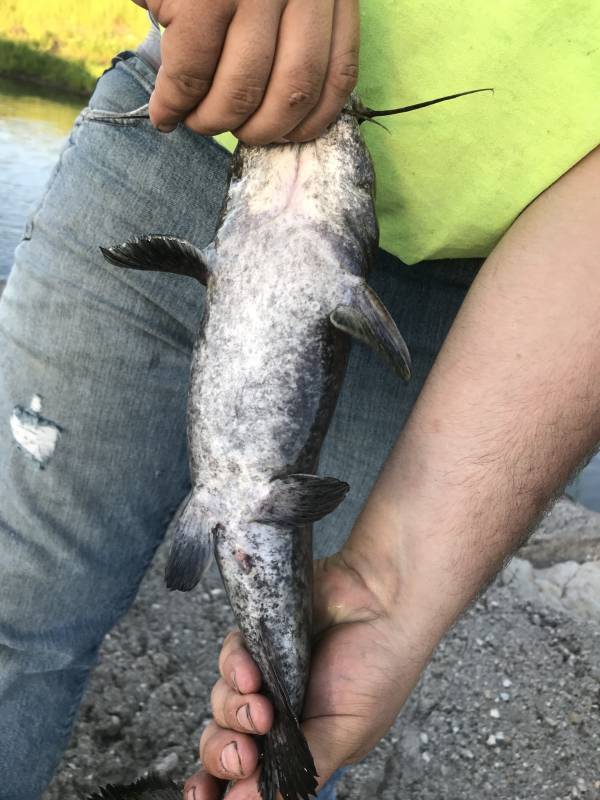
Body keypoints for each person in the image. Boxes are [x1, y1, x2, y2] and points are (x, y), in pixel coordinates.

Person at [0, 2, 599, 798]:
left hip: (505, 292)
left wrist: (396, 592)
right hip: (183, 130)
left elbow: (377, 601)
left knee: (321, 692)